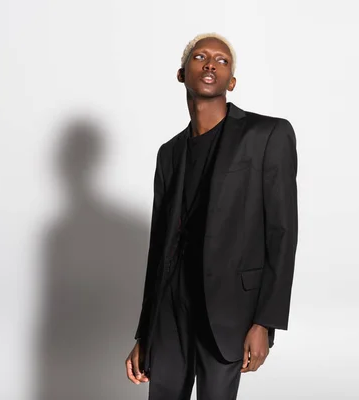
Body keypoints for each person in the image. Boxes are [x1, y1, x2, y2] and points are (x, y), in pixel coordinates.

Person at [124, 32, 298, 399]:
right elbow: (159, 249)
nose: (210, 64)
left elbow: (282, 233)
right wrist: (145, 332)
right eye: (200, 57)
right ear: (181, 73)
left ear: (231, 81)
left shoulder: (267, 135)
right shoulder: (168, 154)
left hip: (230, 310)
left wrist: (265, 322)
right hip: (172, 311)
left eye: (222, 60)